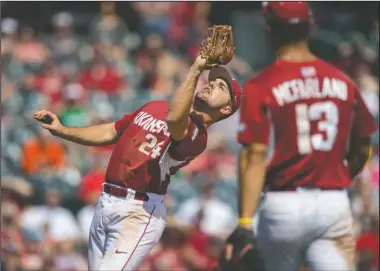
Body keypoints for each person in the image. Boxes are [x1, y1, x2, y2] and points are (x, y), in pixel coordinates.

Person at [33, 54, 241, 270]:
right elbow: (111, 131)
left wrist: (195, 69)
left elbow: (175, 120)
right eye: (212, 81)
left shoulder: (198, 136)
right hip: (106, 201)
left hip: (139, 211)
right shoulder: (155, 106)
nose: (211, 85)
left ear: (226, 109)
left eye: (221, 87)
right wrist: (62, 130)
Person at [225, 2, 377, 271]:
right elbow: (364, 145)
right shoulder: (342, 81)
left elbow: (254, 153)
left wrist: (245, 221)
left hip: (285, 203)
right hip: (333, 203)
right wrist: (342, 175)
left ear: (269, 29)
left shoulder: (262, 84)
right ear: (310, 27)